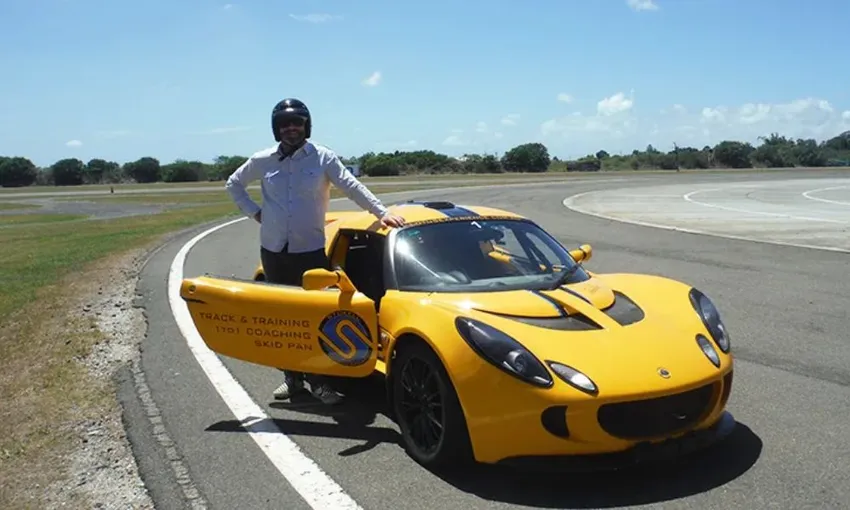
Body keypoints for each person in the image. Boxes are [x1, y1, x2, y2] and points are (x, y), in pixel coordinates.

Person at [225, 97, 406, 404]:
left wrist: (381, 212)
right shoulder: (263, 159)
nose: (291, 129)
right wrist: (255, 213)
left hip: (309, 250)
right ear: (276, 128)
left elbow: (352, 186)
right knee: (282, 316)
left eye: (297, 123)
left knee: (315, 316)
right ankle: (292, 379)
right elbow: (233, 183)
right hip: (273, 249)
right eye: (285, 124)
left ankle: (320, 382)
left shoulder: (322, 157)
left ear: (306, 125)